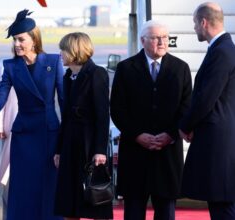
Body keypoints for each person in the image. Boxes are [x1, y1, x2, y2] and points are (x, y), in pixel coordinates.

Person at [0, 9, 64, 220]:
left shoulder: (54, 62)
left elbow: (64, 102)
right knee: (22, 188)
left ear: (34, 39)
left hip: (48, 133)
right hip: (24, 134)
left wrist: (65, 140)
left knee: (47, 185)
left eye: (21, 39)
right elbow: (1, 95)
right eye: (15, 40)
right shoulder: (11, 66)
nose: (17, 44)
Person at [110, 20, 192, 220]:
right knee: (134, 212)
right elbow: (118, 109)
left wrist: (170, 135)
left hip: (167, 154)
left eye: (165, 37)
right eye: (156, 38)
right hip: (135, 154)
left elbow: (187, 107)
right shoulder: (126, 68)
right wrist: (137, 135)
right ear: (143, 40)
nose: (162, 42)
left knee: (166, 213)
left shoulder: (180, 68)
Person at [179, 2, 235, 220]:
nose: (194, 28)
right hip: (221, 136)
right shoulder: (224, 49)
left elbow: (206, 97)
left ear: (203, 22)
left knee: (222, 203)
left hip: (218, 138)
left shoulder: (221, 52)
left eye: (195, 23)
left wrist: (185, 125)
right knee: (221, 201)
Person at [53, 32, 112, 220]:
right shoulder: (69, 76)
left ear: (73, 50)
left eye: (63, 49)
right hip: (70, 144)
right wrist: (59, 150)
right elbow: (66, 117)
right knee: (69, 202)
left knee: (95, 197)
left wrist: (100, 150)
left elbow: (102, 115)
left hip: (89, 145)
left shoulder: (97, 73)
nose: (60, 54)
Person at [0, 65, 18, 220]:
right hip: (11, 129)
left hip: (35, 132)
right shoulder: (7, 66)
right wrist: (0, 125)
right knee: (9, 180)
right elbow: (0, 94)